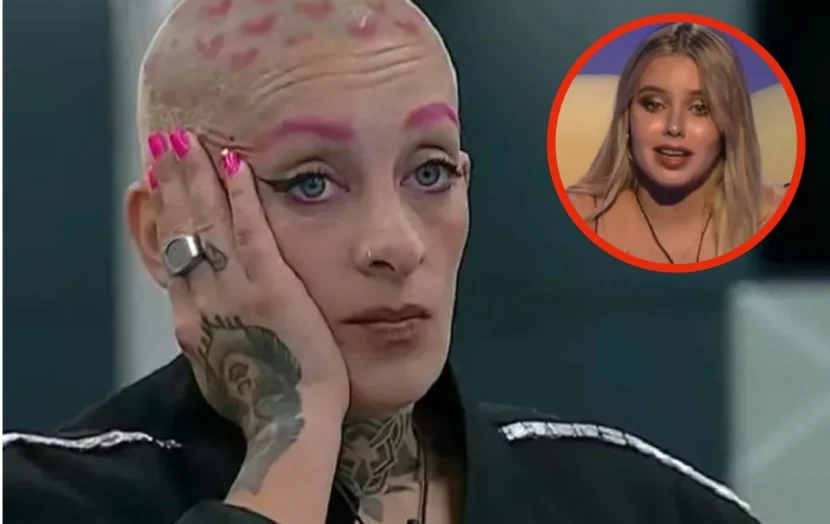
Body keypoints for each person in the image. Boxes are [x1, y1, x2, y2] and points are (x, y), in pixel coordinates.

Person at [5, 3, 762, 523]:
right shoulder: (38, 498)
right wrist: (291, 435)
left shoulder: (636, 504)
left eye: (430, 172)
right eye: (311, 182)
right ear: (165, 233)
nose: (396, 243)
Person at [567, 23, 788, 264]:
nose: (674, 127)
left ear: (730, 124)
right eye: (654, 105)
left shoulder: (775, 215)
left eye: (700, 108)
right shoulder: (577, 215)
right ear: (627, 114)